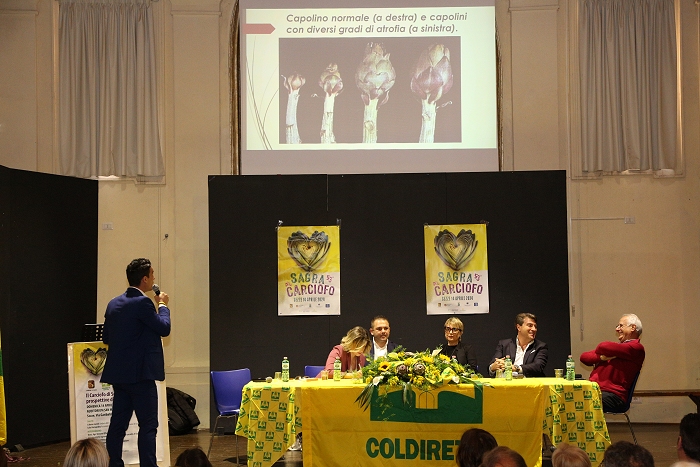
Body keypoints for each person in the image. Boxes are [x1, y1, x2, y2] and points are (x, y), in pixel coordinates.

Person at [102, 258, 171, 467]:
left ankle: (115, 463)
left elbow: (106, 337)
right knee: (148, 425)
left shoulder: (113, 303)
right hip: (141, 376)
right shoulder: (143, 303)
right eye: (152, 274)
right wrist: (162, 305)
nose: (154, 278)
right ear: (144, 279)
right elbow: (164, 328)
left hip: (119, 376)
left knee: (117, 425)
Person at [579, 314, 645, 412]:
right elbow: (584, 357)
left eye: (621, 326)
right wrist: (602, 358)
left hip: (614, 395)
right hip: (595, 389)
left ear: (633, 327)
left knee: (579, 402)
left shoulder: (636, 348)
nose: (617, 329)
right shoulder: (615, 350)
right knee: (567, 397)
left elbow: (603, 346)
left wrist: (603, 353)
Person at [488, 313, 548, 377]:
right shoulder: (504, 344)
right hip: (507, 381)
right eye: (530, 325)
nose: (534, 329)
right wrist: (493, 366)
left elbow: (538, 366)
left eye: (535, 326)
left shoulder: (540, 346)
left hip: (530, 382)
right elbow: (495, 362)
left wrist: (515, 368)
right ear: (518, 327)